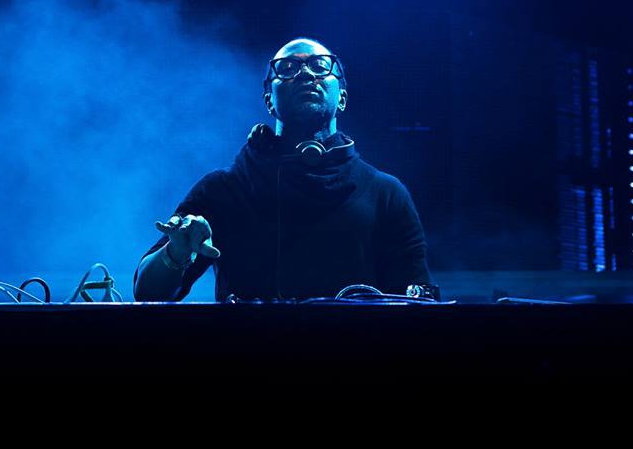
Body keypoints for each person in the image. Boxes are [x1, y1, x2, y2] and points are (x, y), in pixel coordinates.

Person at [132, 37, 431, 301]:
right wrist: (176, 253)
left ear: (341, 98)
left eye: (320, 66)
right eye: (287, 68)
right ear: (269, 102)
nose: (305, 73)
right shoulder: (222, 190)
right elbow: (146, 293)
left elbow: (418, 305)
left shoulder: (385, 194)